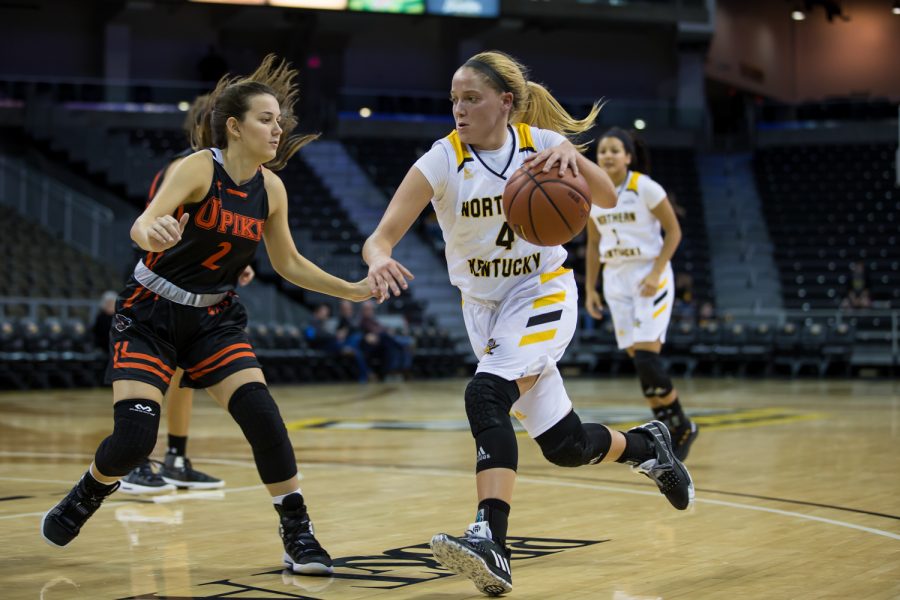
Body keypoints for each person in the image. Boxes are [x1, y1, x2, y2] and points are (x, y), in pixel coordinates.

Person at [362, 50, 694, 597]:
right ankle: (647, 447)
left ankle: (491, 538)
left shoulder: (539, 147)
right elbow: (381, 236)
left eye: (471, 98)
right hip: (484, 310)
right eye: (454, 99)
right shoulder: (441, 161)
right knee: (563, 444)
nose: (459, 109)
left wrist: (571, 158)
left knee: (484, 397)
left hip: (542, 292)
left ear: (505, 103)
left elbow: (607, 197)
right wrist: (377, 259)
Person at [41, 55, 372, 578]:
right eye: (266, 118)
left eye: (280, 119)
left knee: (263, 418)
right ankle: (89, 491)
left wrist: (350, 289)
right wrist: (149, 232)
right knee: (132, 442)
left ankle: (298, 534)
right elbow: (145, 222)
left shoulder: (272, 189)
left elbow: (287, 264)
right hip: (149, 312)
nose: (278, 127)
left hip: (214, 319)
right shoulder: (198, 167)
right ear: (235, 127)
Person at [119, 94, 251, 496]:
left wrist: (233, 263)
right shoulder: (188, 167)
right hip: (156, 284)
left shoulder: (227, 173)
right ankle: (134, 459)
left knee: (182, 377)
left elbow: (213, 234)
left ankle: (175, 457)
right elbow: (154, 225)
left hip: (194, 288)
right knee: (150, 377)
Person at [585, 127, 700, 463]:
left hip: (649, 273)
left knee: (648, 356)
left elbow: (674, 231)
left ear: (628, 157)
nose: (606, 155)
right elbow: (593, 244)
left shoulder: (645, 187)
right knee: (640, 360)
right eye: (602, 150)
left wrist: (655, 273)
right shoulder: (592, 195)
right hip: (615, 276)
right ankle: (668, 429)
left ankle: (681, 424)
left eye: (614, 150)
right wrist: (591, 288)